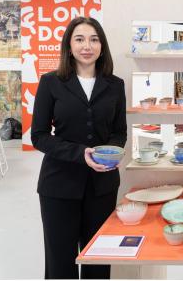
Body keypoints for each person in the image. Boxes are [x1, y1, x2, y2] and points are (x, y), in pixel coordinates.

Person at [31, 17, 126, 279]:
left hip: (102, 185)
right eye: (80, 39)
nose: (87, 46)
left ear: (102, 46)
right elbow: (38, 136)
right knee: (60, 262)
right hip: (58, 185)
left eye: (94, 39)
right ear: (69, 45)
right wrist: (79, 154)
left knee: (98, 259)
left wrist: (113, 151)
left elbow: (119, 131)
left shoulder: (115, 85)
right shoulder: (51, 82)